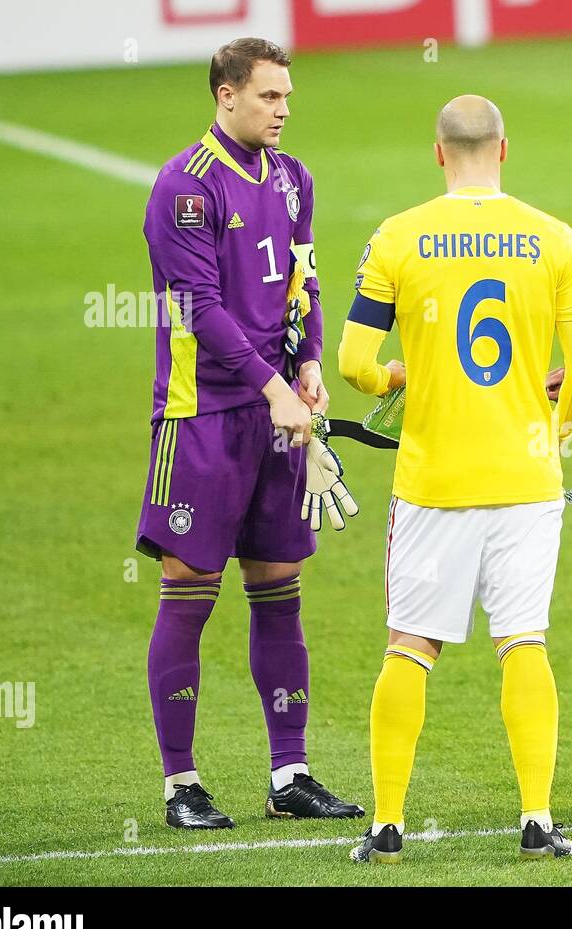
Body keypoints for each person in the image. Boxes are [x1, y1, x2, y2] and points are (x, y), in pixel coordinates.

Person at [339, 95, 572, 863]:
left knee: (409, 647)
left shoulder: (399, 237)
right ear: (505, 150)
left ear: (438, 154)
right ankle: (537, 820)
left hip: (432, 479)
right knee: (524, 641)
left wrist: (394, 376)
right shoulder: (554, 238)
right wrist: (553, 432)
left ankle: (386, 825)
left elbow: (355, 364)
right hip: (526, 478)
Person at [137, 37, 362, 829]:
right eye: (269, 97)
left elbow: (306, 279)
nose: (283, 109)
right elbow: (199, 305)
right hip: (201, 421)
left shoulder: (294, 179)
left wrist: (306, 366)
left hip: (279, 417)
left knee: (279, 596)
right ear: (225, 95)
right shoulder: (183, 188)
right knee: (189, 598)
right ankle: (181, 785)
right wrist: (272, 387)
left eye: (288, 96)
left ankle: (289, 771)